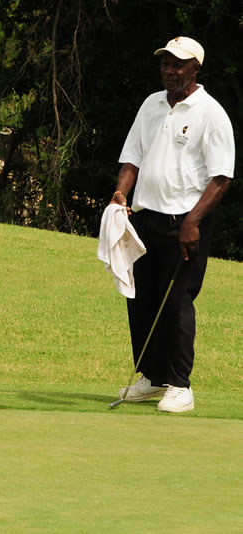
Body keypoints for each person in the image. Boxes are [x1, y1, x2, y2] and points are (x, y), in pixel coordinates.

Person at [110, 37, 235, 412]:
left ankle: (180, 385)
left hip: (185, 222)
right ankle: (151, 377)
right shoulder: (150, 105)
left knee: (177, 302)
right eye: (166, 63)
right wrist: (120, 194)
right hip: (144, 218)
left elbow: (221, 177)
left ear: (195, 69)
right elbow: (132, 157)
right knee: (142, 298)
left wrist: (193, 221)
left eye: (178, 64)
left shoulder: (210, 113)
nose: (170, 70)